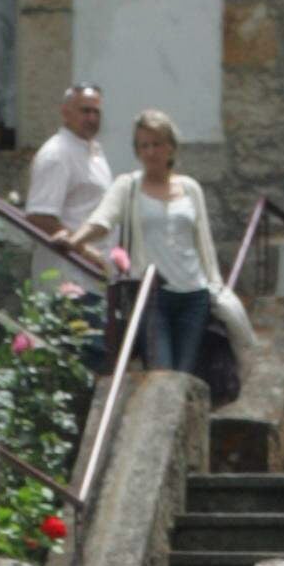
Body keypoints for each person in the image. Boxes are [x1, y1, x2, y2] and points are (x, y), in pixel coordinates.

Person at [73, 110, 227, 376]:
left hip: (194, 294)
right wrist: (74, 240)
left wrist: (215, 285)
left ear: (171, 148)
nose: (150, 152)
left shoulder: (190, 188)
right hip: (151, 296)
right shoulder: (128, 186)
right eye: (144, 145)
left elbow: (204, 241)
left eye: (157, 144)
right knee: (160, 374)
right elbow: (102, 220)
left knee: (185, 376)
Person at [25, 80, 109, 235]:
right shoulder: (57, 154)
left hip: (95, 257)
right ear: (66, 113)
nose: (92, 118)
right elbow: (40, 217)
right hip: (68, 258)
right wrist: (82, 249)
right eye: (85, 111)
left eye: (96, 112)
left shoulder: (94, 150)